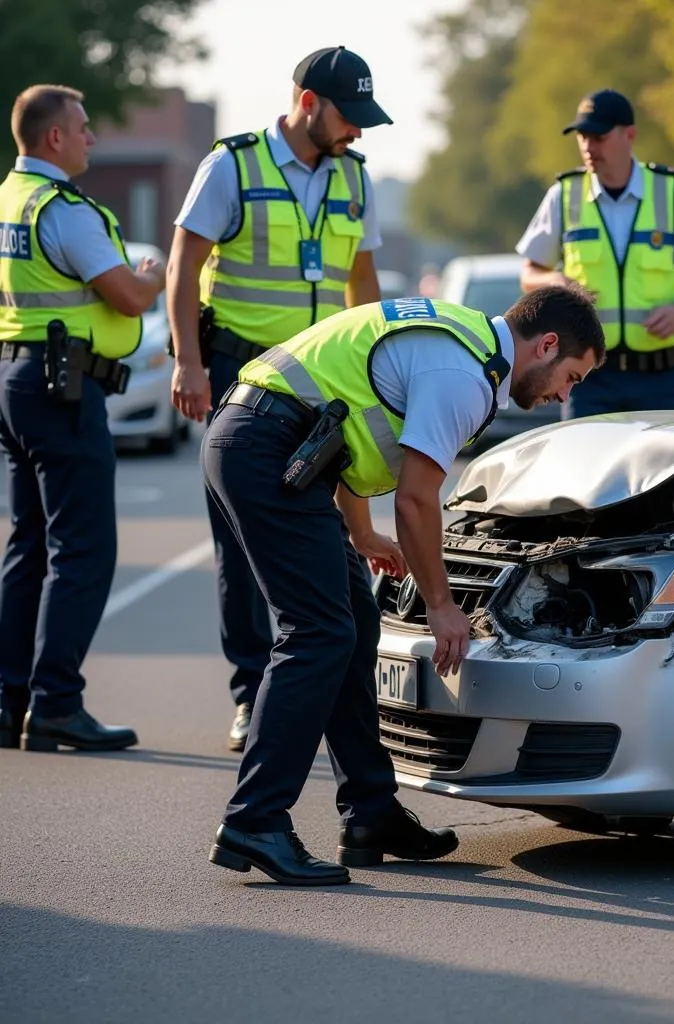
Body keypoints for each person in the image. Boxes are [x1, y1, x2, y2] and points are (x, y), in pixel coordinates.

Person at [203, 286, 604, 885]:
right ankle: (254, 820)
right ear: (546, 345)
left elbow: (343, 422)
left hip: (274, 441)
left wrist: (360, 533)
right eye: (571, 376)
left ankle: (370, 813)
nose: (563, 395)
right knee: (317, 633)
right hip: (264, 446)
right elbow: (417, 500)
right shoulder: (465, 375)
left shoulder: (462, 342)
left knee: (354, 625)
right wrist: (442, 606)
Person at [167, 46, 392, 752]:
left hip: (325, 379)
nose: (357, 132)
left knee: (334, 536)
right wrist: (189, 362)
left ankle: (322, 693)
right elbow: (184, 264)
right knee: (243, 546)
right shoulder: (231, 164)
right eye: (348, 117)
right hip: (245, 374)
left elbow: (364, 285)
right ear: (307, 104)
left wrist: (381, 366)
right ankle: (249, 693)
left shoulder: (355, 178)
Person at [0, 85, 165, 751]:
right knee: (84, 549)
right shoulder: (63, 209)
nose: (93, 138)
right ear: (54, 140)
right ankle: (58, 704)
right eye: (85, 127)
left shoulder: (9, 199)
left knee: (30, 544)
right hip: (60, 388)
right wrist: (150, 273)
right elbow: (125, 296)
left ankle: (10, 701)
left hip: (16, 379)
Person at [517, 88, 674, 417]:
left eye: (598, 136)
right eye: (582, 136)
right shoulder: (563, 196)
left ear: (630, 135)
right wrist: (553, 281)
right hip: (588, 380)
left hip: (665, 379)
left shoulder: (673, 193)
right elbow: (528, 274)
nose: (588, 146)